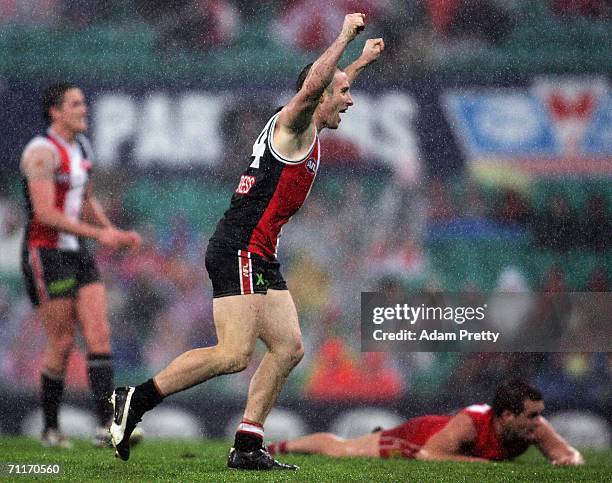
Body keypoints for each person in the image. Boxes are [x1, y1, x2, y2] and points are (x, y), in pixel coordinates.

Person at [109, 13, 384, 470]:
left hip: (259, 252)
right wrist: (342, 37)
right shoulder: (294, 125)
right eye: (344, 93)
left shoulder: (308, 124)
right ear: (315, 95)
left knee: (289, 347)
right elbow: (318, 84)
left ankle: (248, 445)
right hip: (239, 247)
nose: (349, 100)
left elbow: (328, 84)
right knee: (234, 354)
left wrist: (361, 62)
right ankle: (135, 399)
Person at [20, 83, 142, 448]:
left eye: (83, 103)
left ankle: (108, 427)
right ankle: (51, 429)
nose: (84, 109)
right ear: (55, 112)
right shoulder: (41, 153)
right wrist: (97, 234)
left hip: (77, 253)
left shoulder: (82, 147)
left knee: (99, 334)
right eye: (75, 104)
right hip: (46, 254)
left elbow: (85, 199)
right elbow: (44, 213)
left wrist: (110, 231)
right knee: (61, 341)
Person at [266, 380, 585, 466]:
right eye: (532, 415)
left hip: (433, 437)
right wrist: (479, 466)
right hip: (418, 437)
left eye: (539, 413)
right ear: (506, 416)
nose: (539, 422)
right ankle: (276, 447)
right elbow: (429, 456)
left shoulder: (534, 427)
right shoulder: (470, 424)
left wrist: (568, 462)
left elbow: (568, 455)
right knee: (344, 450)